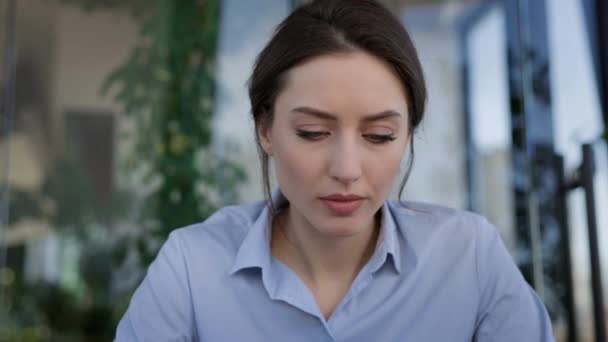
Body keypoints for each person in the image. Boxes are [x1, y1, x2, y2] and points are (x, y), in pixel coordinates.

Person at [115, 0, 555, 341]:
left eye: (379, 136)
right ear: (265, 130)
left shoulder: (469, 258)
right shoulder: (192, 269)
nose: (347, 170)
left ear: (407, 136)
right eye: (312, 132)